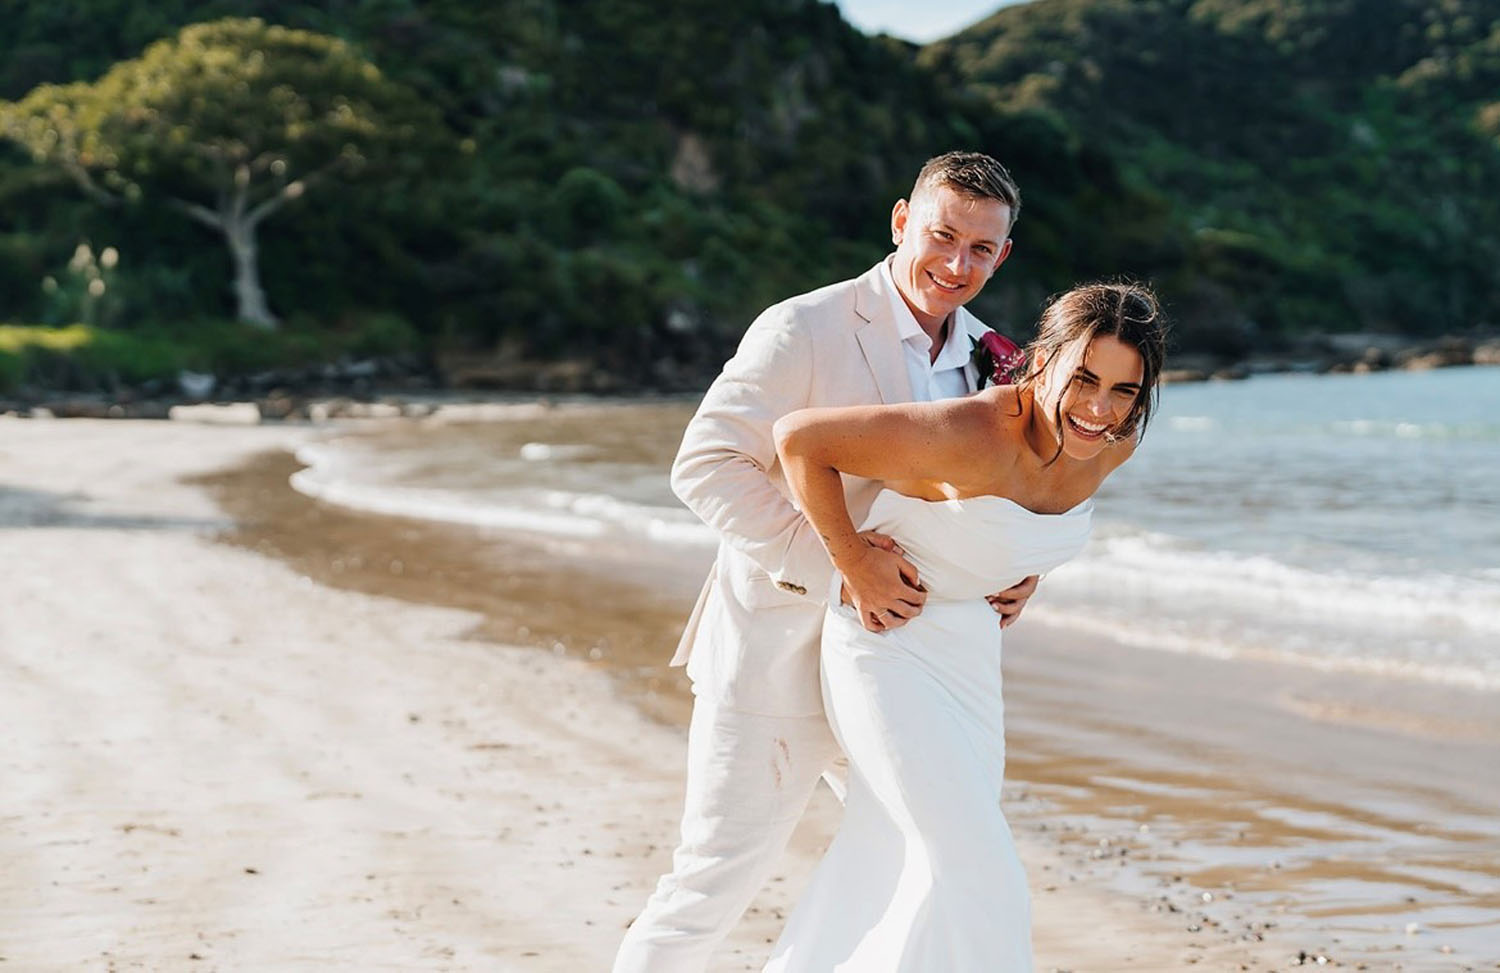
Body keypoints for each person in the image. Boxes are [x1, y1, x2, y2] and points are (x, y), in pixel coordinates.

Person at [613, 152, 1039, 973]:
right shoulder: (803, 327)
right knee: (711, 883)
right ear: (900, 222)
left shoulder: (1004, 361)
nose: (957, 264)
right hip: (778, 658)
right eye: (942, 235)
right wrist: (842, 565)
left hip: (906, 669)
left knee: (945, 867)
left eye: (981, 249)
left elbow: (1018, 487)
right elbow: (704, 464)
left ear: (1004, 255)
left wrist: (1020, 565)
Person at [763, 281, 1167, 970]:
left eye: (1124, 391)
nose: (1100, 408)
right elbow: (800, 441)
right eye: (1084, 379)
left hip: (971, 658)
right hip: (887, 644)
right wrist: (852, 559)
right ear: (1043, 359)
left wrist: (1026, 569)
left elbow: (1031, 520)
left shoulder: (1111, 443)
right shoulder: (972, 433)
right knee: (978, 866)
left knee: (899, 855)